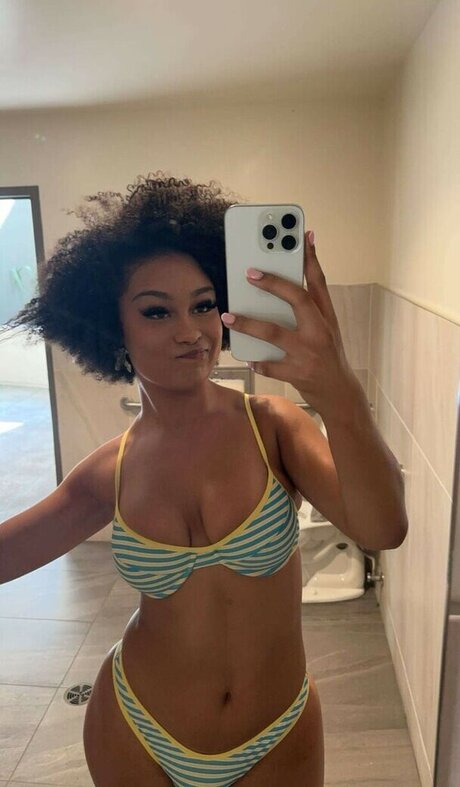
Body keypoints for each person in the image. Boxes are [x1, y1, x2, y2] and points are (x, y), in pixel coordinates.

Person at [0, 172, 407, 786]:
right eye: (156, 311)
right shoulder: (109, 473)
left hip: (278, 731)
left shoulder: (275, 428)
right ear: (112, 327)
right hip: (136, 727)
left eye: (203, 304)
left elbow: (385, 528)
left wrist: (337, 386)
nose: (190, 331)